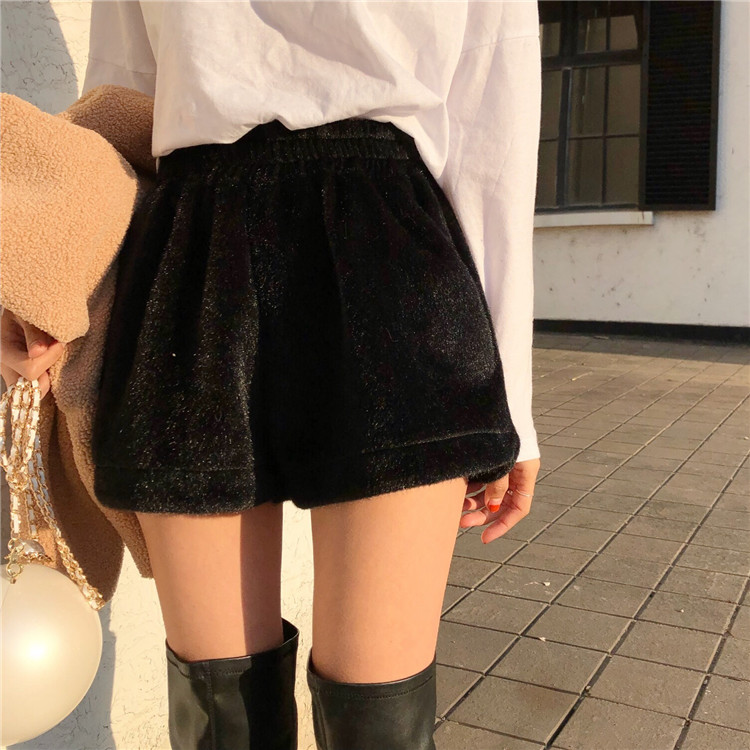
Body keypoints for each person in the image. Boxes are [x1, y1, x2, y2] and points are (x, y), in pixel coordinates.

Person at [1, 1, 542, 748]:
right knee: (221, 708)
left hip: (387, 254)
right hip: (191, 259)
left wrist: (512, 403)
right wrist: (61, 288)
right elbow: (121, 109)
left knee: (377, 711)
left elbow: (489, 128)